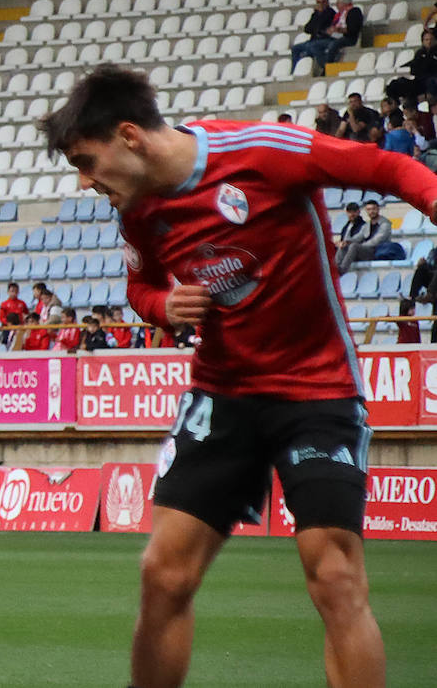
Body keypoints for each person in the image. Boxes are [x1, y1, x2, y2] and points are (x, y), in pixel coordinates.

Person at [39, 65, 428, 688]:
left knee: (333, 575)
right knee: (162, 574)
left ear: (130, 136)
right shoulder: (139, 211)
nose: (85, 182)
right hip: (220, 394)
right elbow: (139, 287)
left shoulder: (263, 153)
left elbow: (390, 170)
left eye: (87, 161)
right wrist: (163, 307)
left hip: (317, 389)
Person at [293, 0, 362, 75]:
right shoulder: (320, 14)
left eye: (323, 2)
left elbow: (351, 28)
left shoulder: (336, 13)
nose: (320, 4)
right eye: (318, 2)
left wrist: (336, 30)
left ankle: (326, 67)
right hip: (324, 37)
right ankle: (295, 70)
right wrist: (318, 15)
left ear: (343, 4)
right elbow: (307, 29)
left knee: (315, 46)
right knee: (296, 48)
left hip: (338, 37)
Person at [336, 199, 392, 275]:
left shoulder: (385, 224)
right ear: (366, 211)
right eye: (369, 209)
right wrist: (346, 242)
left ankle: (342, 270)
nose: (371, 211)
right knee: (344, 245)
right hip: (367, 251)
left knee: (354, 246)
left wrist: (360, 245)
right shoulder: (367, 225)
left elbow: (377, 240)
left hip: (378, 251)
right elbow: (359, 237)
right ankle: (335, 267)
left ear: (378, 209)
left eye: (374, 209)